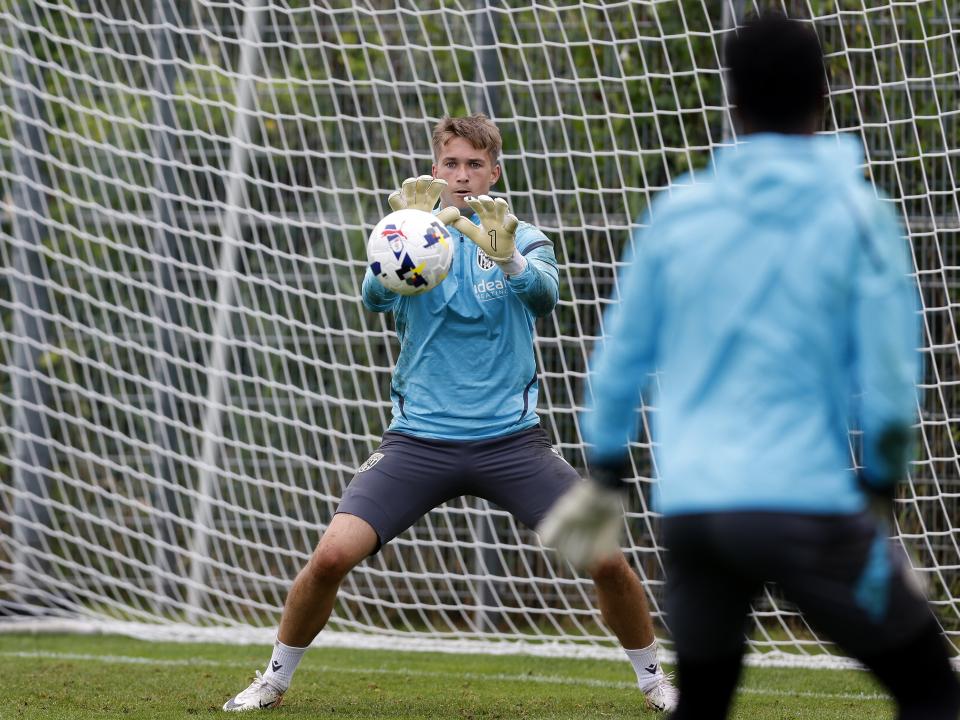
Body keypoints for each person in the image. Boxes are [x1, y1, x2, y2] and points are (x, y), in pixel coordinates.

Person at [539, 13, 960, 720]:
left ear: (731, 104)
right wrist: (882, 484)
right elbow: (890, 379)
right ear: (823, 98)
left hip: (697, 507)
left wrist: (607, 472)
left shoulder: (678, 212)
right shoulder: (858, 213)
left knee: (704, 700)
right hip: (808, 503)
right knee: (932, 692)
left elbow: (618, 362)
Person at [222, 113, 677, 712]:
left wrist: (508, 257)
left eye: (474, 165)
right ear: (435, 170)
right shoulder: (411, 234)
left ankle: (654, 681)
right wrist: (400, 233)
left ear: (495, 171)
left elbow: (545, 298)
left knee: (607, 560)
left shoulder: (523, 236)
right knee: (331, 555)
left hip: (512, 443)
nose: (462, 177)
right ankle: (274, 679)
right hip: (418, 442)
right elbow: (374, 299)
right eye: (451, 164)